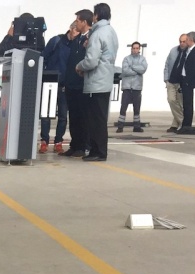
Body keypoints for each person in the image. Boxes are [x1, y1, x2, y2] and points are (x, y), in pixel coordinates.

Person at [76, 3, 118, 162]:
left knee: (95, 120)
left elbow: (92, 61)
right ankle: (98, 150)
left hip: (96, 82)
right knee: (100, 119)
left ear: (96, 16)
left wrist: (79, 66)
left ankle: (98, 152)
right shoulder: (111, 32)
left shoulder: (98, 34)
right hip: (105, 80)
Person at [39, 21, 78, 154]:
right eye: (76, 30)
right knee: (46, 115)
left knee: (63, 116)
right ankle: (44, 141)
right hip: (50, 82)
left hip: (65, 85)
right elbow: (43, 57)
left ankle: (58, 141)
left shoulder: (76, 45)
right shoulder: (56, 41)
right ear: (71, 28)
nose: (77, 34)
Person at [59, 9, 92, 158]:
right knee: (73, 117)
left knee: (82, 117)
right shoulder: (76, 40)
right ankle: (74, 145)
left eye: (78, 21)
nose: (76, 23)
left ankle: (83, 146)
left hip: (82, 84)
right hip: (71, 83)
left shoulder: (91, 39)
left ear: (84, 22)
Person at [117, 42, 148, 133]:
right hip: (127, 87)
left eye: (137, 48)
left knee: (136, 108)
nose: (135, 50)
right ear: (131, 49)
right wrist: (136, 71)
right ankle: (120, 126)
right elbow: (125, 71)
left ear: (139, 49)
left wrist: (132, 66)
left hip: (137, 87)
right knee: (123, 107)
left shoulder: (143, 59)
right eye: (133, 48)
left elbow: (143, 69)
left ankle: (137, 126)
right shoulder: (126, 59)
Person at [163, 35, 188, 133]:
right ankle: (182, 121)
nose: (182, 43)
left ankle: (175, 125)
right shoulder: (173, 50)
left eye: (184, 41)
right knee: (171, 100)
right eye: (180, 41)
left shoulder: (189, 52)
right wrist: (166, 79)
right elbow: (167, 64)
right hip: (171, 80)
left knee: (180, 104)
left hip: (181, 82)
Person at [179, 31, 195, 129]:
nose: (186, 41)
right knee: (185, 103)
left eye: (187, 39)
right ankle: (185, 124)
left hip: (189, 81)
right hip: (184, 79)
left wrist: (189, 80)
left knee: (188, 104)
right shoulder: (188, 50)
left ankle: (187, 125)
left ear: (191, 40)